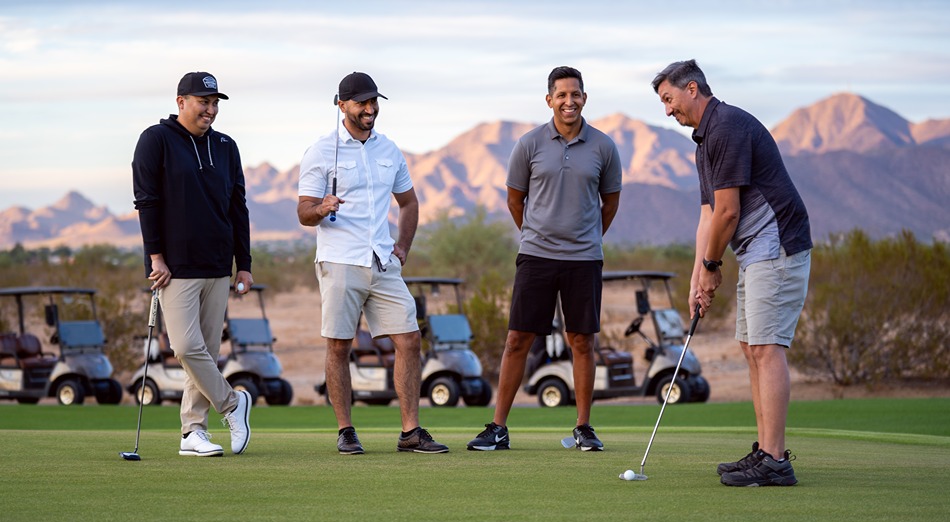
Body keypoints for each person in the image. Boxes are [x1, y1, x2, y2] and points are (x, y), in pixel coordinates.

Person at [651, 59, 812, 487]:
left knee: (765, 347)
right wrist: (696, 277)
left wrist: (712, 266)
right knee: (749, 346)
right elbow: (707, 214)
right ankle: (765, 450)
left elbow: (729, 211)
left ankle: (776, 461)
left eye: (668, 99)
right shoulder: (705, 142)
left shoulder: (727, 127)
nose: (667, 111)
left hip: (777, 244)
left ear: (691, 88)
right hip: (755, 251)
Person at [467, 66, 622, 452]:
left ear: (584, 98)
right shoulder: (529, 144)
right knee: (518, 338)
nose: (569, 101)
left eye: (576, 94)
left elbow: (611, 203)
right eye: (562, 95)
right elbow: (514, 200)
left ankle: (584, 427)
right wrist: (536, 234)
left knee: (581, 341)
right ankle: (498, 428)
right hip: (535, 255)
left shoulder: (604, 147)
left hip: (584, 258)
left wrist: (585, 238)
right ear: (549, 99)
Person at [297, 71, 448, 455]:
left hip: (383, 261)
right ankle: (346, 430)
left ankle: (410, 432)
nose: (370, 108)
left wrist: (403, 247)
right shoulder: (320, 151)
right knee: (339, 347)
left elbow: (409, 203)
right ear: (341, 105)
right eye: (362, 102)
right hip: (339, 261)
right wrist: (321, 207)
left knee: (410, 340)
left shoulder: (389, 150)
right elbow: (303, 212)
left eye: (373, 101)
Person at [132, 71, 253, 458]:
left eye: (215, 103)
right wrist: (155, 257)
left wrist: (244, 263)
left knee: (205, 353)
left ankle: (192, 433)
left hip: (218, 265)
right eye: (204, 102)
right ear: (181, 101)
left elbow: (238, 208)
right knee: (185, 347)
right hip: (176, 268)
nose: (211, 109)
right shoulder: (156, 140)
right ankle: (233, 404)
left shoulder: (226, 146)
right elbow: (146, 201)